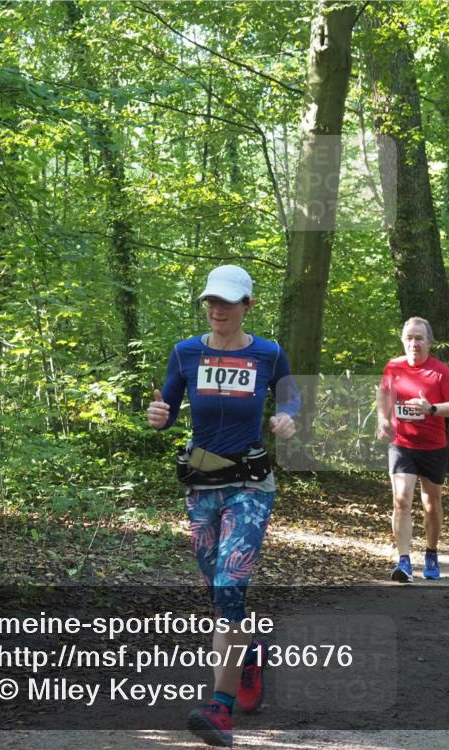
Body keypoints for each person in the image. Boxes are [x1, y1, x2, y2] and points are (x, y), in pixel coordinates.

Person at [147, 265, 299, 747]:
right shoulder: (186, 352)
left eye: (228, 302)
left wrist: (285, 416)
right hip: (201, 484)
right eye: (212, 301)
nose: (218, 309)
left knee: (231, 585)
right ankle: (249, 652)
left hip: (251, 485)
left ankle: (220, 709)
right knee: (217, 587)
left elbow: (292, 399)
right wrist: (158, 416)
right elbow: (166, 411)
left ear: (247, 306)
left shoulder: (268, 354)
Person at [377, 317, 449, 582]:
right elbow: (384, 394)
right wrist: (383, 420)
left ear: (429, 342)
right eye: (409, 338)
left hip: (433, 446)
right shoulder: (393, 367)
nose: (414, 343)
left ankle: (431, 552)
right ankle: (404, 561)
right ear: (403, 340)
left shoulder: (439, 372)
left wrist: (432, 409)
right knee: (401, 500)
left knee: (431, 502)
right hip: (402, 444)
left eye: (419, 338)